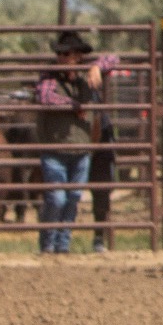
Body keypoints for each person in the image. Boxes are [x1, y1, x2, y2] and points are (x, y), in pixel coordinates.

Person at [33, 30, 118, 254]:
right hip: (55, 148)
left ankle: (62, 245)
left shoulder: (87, 75)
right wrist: (75, 105)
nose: (66, 58)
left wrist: (97, 67)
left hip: (81, 149)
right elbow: (45, 97)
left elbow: (114, 59)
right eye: (62, 54)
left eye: (71, 54)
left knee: (73, 197)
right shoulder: (49, 76)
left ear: (79, 56)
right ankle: (48, 243)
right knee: (58, 198)